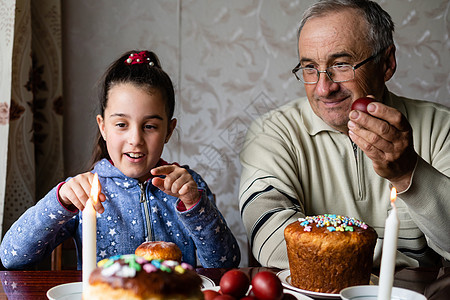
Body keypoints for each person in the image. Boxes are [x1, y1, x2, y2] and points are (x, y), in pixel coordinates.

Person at [239, 0, 449, 269]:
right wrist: (397, 264)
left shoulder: (441, 127)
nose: (324, 88)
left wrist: (408, 174)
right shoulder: (272, 133)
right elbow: (271, 241)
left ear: (387, 63)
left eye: (341, 64)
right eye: (310, 68)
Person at [0, 50, 240, 269]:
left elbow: (226, 264)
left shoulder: (187, 188)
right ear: (103, 127)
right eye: (121, 124)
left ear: (168, 130)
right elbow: (11, 256)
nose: (135, 139)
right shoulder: (82, 192)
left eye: (150, 126)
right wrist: (59, 199)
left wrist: (195, 205)